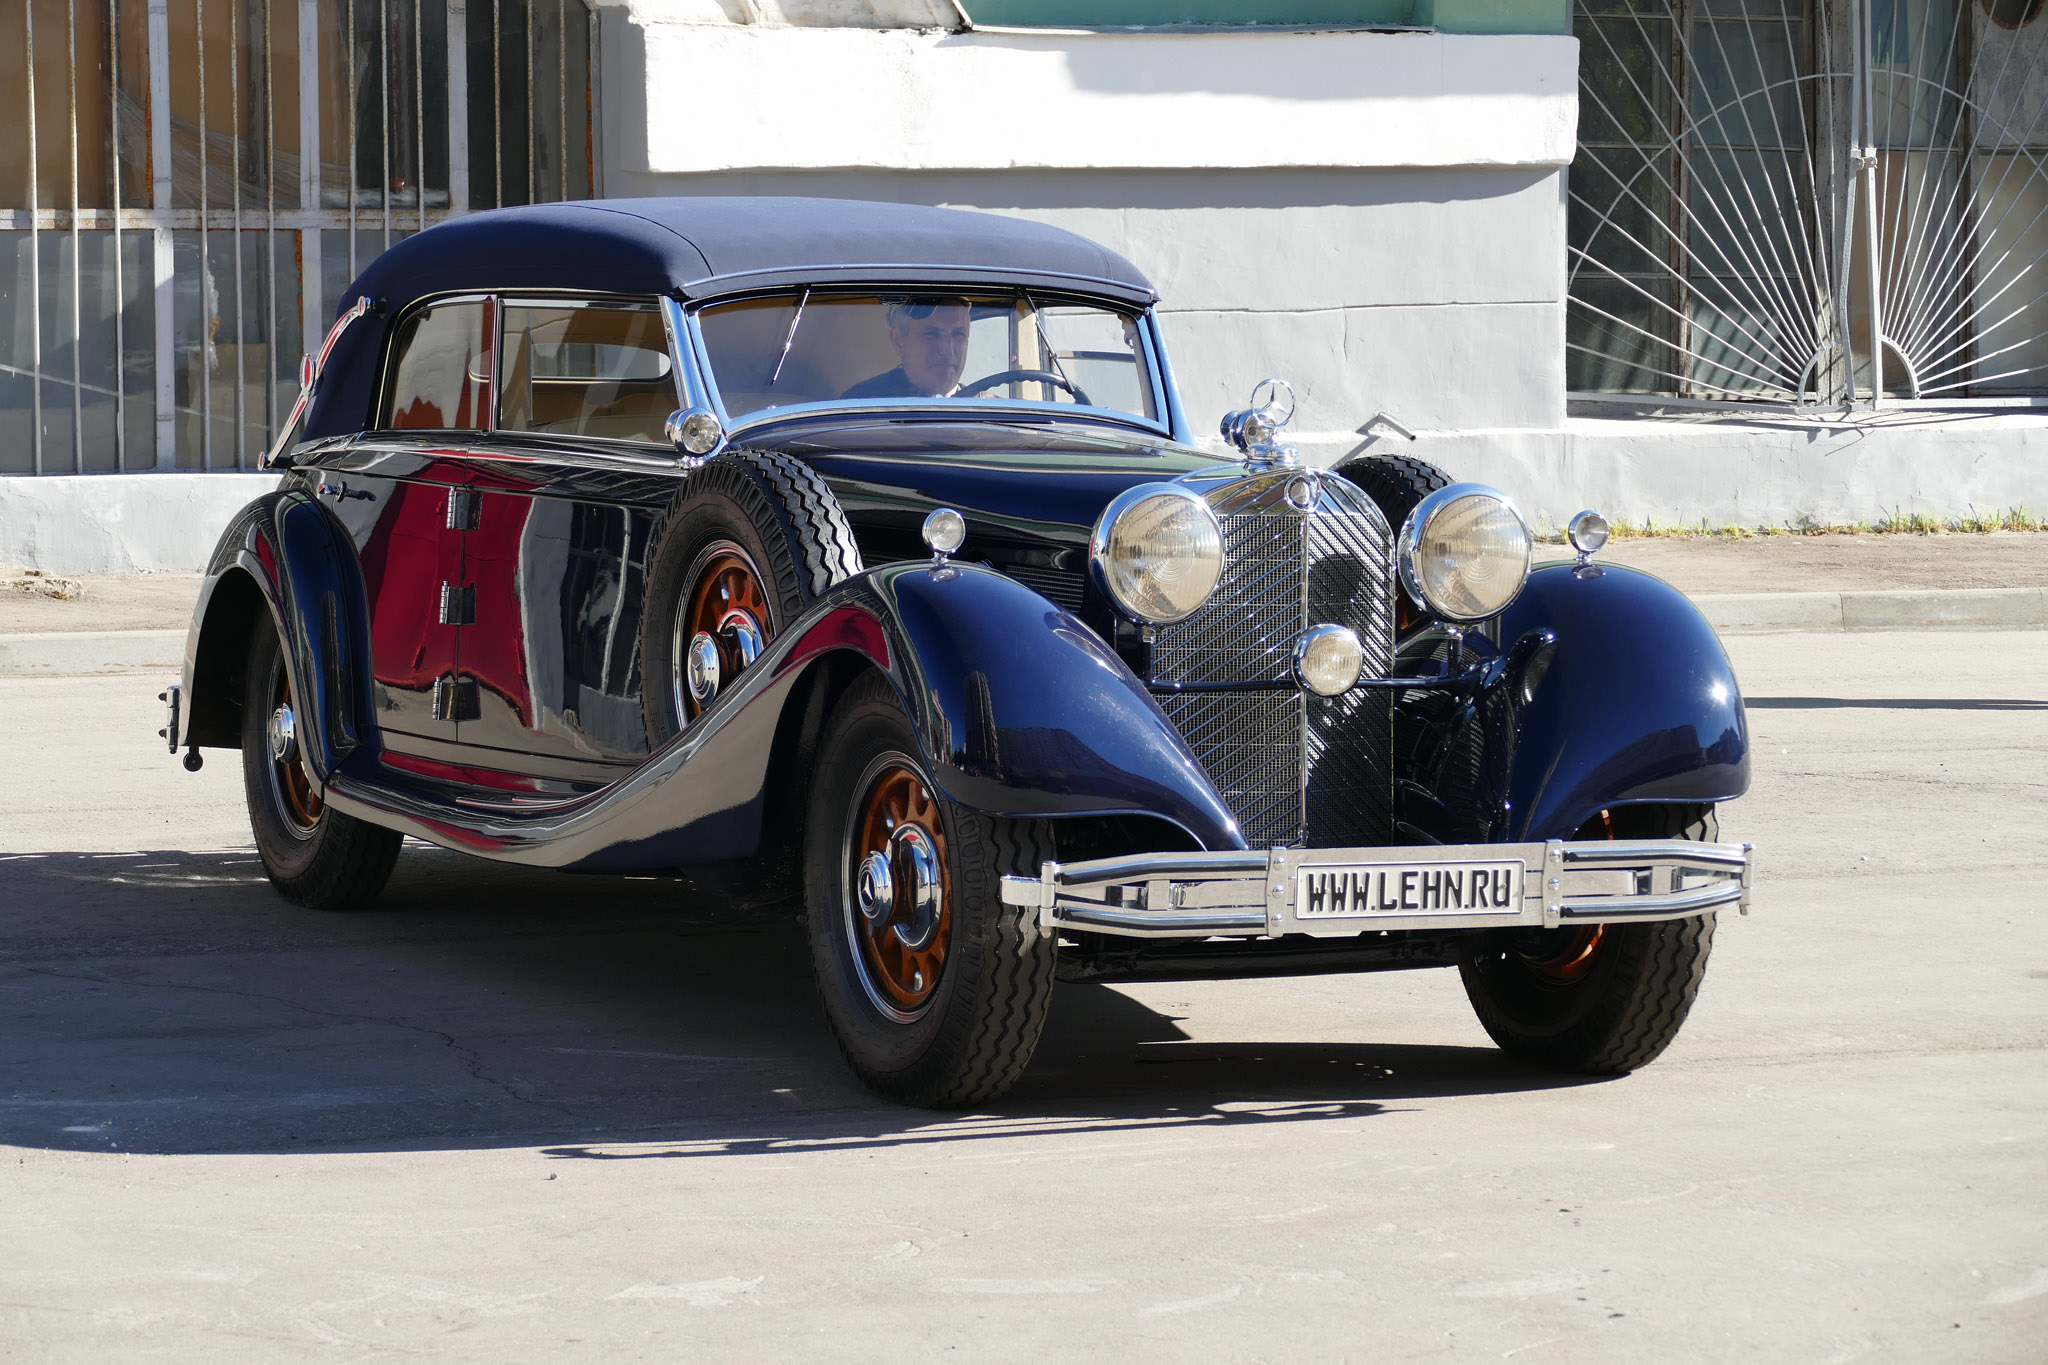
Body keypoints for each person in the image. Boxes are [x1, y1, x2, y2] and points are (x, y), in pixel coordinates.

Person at [842, 297, 973, 400]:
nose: (947, 350)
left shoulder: (988, 408)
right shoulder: (863, 403)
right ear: (898, 341)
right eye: (931, 334)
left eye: (958, 334)